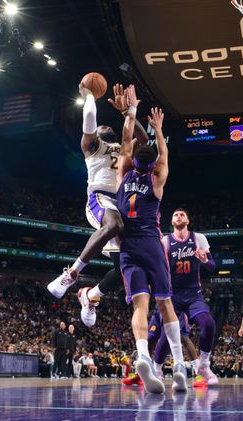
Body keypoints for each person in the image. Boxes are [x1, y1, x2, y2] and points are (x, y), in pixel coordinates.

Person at [48, 82, 148, 328]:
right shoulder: (92, 147)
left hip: (122, 203)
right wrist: (89, 95)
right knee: (114, 224)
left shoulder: (123, 147)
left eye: (109, 125)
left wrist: (127, 113)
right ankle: (71, 274)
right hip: (100, 199)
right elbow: (91, 117)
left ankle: (90, 296)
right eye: (102, 126)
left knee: (126, 268)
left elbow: (144, 140)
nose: (106, 125)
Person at [114, 85, 187, 394]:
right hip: (151, 245)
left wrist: (130, 113)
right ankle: (180, 365)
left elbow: (126, 142)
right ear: (153, 165)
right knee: (165, 302)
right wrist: (158, 129)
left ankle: (142, 354)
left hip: (127, 246)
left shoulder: (122, 173)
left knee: (139, 307)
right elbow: (164, 155)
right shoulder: (156, 180)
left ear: (132, 163)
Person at [153, 208, 219, 386]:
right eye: (175, 215)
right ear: (172, 221)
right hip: (171, 294)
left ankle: (204, 365)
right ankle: (156, 370)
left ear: (188, 220)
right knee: (167, 334)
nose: (179, 216)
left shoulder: (199, 238)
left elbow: (213, 266)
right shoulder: (165, 241)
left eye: (182, 214)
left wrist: (205, 260)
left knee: (208, 324)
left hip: (193, 294)